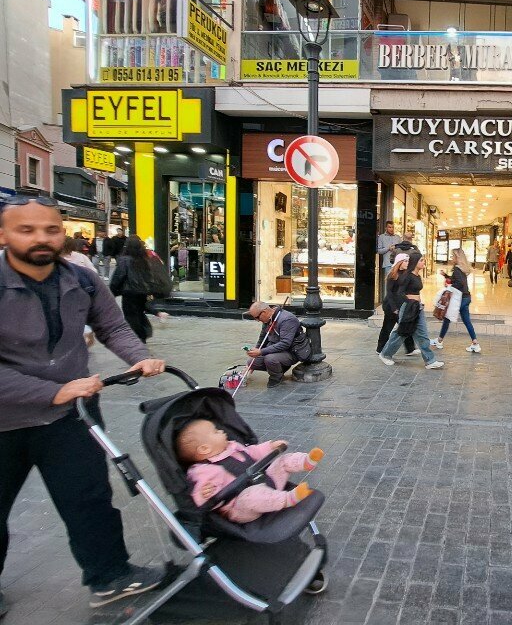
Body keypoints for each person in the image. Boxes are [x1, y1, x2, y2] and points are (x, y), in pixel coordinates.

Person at [0, 196, 166, 614]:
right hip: (6, 420)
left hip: (71, 415)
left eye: (51, 229)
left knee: (88, 497)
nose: (41, 238)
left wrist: (138, 356)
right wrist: (50, 391)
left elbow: (112, 326)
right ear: (3, 235)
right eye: (26, 230)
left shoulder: (82, 280)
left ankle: (110, 576)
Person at [177, 419, 323, 524]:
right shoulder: (203, 470)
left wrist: (270, 447)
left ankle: (306, 461)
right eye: (216, 432)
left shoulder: (232, 447)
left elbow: (253, 452)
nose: (221, 431)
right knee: (250, 495)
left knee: (282, 461)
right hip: (241, 507)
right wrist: (204, 494)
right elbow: (199, 496)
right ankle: (287, 499)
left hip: (265, 482)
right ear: (205, 448)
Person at [379, 253, 444, 369]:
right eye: (421, 260)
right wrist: (408, 303)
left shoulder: (417, 276)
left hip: (417, 307)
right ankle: (385, 354)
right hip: (409, 308)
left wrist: (418, 303)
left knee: (422, 334)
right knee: (401, 333)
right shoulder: (407, 276)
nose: (424, 262)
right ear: (415, 262)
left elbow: (416, 292)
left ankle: (430, 361)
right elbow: (399, 293)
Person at [246, 302, 311, 388]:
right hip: (276, 349)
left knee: (270, 359)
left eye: (257, 317)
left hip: (292, 351)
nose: (257, 320)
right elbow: (262, 339)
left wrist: (261, 351)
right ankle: (280, 368)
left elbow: (285, 343)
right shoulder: (267, 320)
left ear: (264, 312)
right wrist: (256, 351)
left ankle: (276, 377)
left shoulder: (287, 319)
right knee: (251, 362)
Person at [110, 236, 160, 343]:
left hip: (129, 293)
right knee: (139, 313)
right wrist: (150, 290)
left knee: (131, 316)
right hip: (142, 292)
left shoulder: (124, 260)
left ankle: (137, 339)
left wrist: (112, 292)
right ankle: (142, 336)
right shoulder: (144, 259)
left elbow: (119, 277)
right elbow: (149, 277)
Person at [431, 248, 480, 353]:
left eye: (453, 256)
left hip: (461, 298)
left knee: (447, 317)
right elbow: (456, 280)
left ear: (457, 257)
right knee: (466, 321)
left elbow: (459, 283)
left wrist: (450, 287)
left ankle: (439, 341)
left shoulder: (457, 269)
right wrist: (445, 276)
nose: (451, 258)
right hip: (466, 297)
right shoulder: (462, 268)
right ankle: (475, 343)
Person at [377, 253, 418, 357]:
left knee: (405, 325)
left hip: (401, 305)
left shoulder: (406, 274)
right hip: (391, 306)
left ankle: (410, 349)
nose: (407, 263)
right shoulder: (393, 275)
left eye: (408, 261)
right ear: (400, 262)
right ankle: (380, 348)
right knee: (387, 328)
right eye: (405, 261)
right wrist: (394, 308)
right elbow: (389, 293)